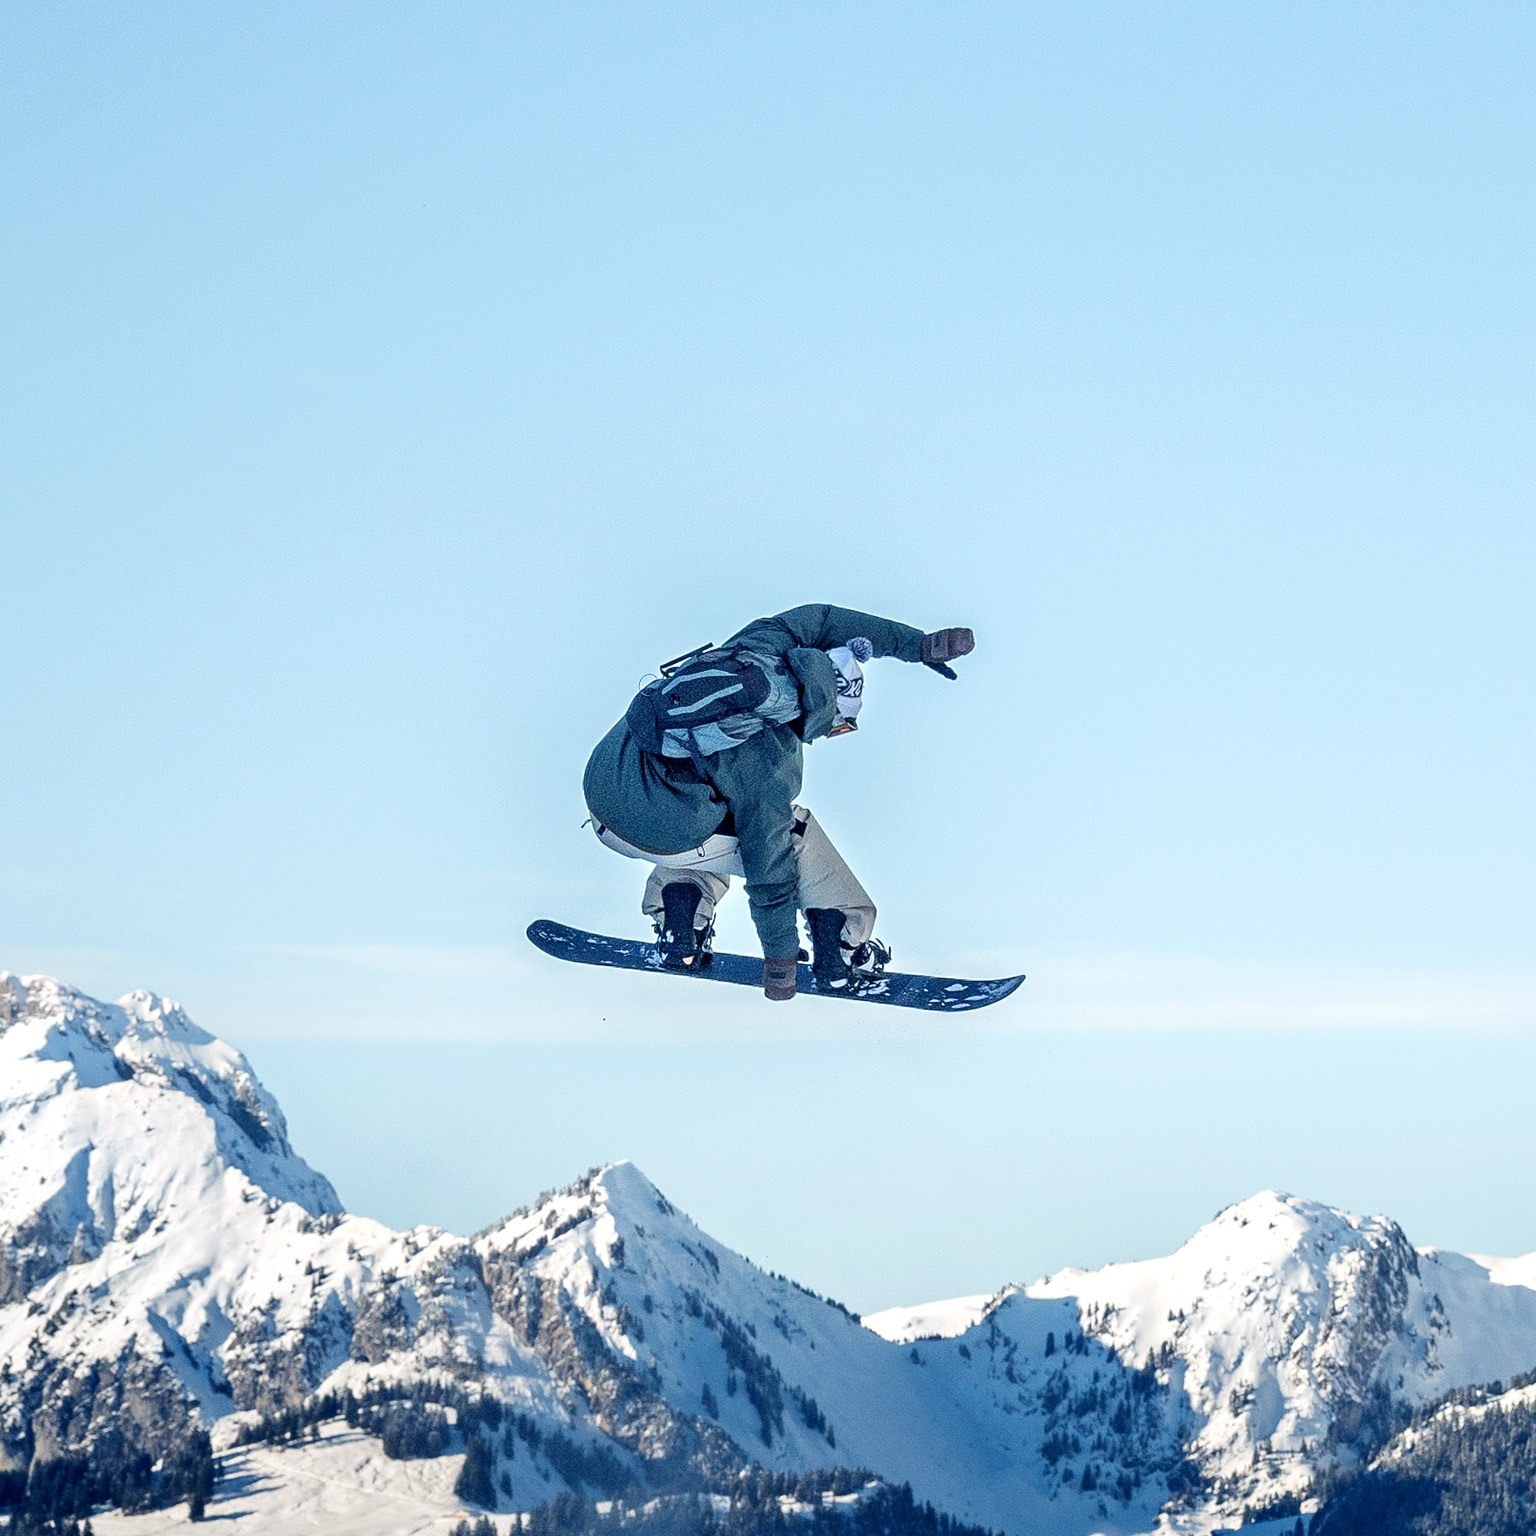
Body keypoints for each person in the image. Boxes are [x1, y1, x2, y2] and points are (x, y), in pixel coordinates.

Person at [582, 604, 974, 1001]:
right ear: (829, 708)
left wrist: (920, 646)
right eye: (838, 725)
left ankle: (682, 915)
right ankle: (841, 946)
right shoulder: (771, 759)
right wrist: (780, 962)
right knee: (793, 832)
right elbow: (770, 868)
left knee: (712, 822)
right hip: (663, 826)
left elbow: (825, 620)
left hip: (603, 790)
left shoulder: (760, 644)